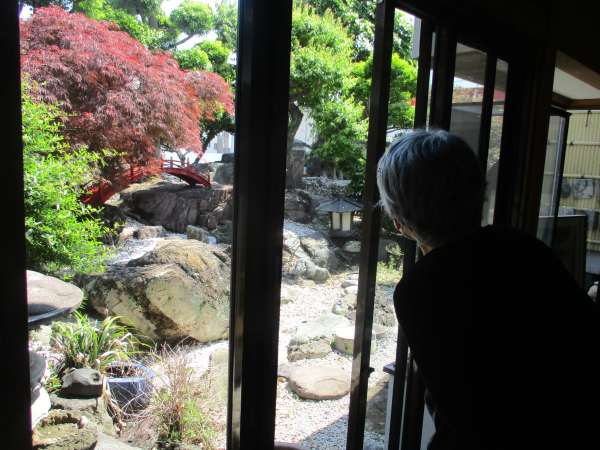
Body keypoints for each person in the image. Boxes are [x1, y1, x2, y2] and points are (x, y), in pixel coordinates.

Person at [376, 130, 599, 450]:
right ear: (477, 194)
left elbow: (464, 414)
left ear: (398, 219)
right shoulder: (521, 246)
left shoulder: (419, 290)